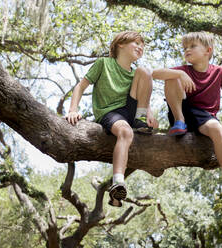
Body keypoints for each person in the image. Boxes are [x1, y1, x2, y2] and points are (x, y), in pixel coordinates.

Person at [66, 31, 158, 207]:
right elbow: (80, 86)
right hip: (110, 113)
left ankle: (140, 120)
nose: (140, 47)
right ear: (120, 44)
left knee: (145, 71)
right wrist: (73, 110)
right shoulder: (104, 64)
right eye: (136, 42)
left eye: (142, 45)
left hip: (132, 112)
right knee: (125, 132)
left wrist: (149, 114)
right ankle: (118, 183)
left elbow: (142, 97)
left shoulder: (135, 73)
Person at [160, 31, 222, 202]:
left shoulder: (219, 72)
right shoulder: (183, 70)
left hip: (204, 117)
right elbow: (154, 73)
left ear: (208, 51)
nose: (187, 50)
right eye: (185, 47)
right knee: (171, 77)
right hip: (182, 112)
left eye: (192, 46)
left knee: (217, 128)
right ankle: (179, 122)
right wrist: (179, 74)